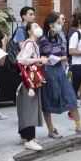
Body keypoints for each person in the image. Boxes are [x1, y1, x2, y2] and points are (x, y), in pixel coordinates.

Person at [40, 14, 81, 139]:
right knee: (47, 100)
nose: (60, 25)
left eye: (60, 22)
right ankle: (51, 129)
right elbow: (50, 56)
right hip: (48, 72)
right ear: (50, 25)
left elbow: (64, 55)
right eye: (57, 23)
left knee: (71, 97)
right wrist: (58, 58)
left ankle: (79, 125)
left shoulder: (59, 38)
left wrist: (57, 58)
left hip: (60, 71)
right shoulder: (43, 40)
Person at [16, 22, 48, 150]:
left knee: (29, 107)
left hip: (30, 80)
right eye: (35, 26)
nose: (38, 28)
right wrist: (39, 60)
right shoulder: (29, 43)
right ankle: (29, 139)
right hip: (29, 82)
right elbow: (23, 60)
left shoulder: (33, 44)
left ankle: (26, 136)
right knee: (30, 108)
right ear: (29, 31)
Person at [66, 13, 81, 108]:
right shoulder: (73, 31)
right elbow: (73, 46)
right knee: (75, 79)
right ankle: (74, 97)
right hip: (74, 58)